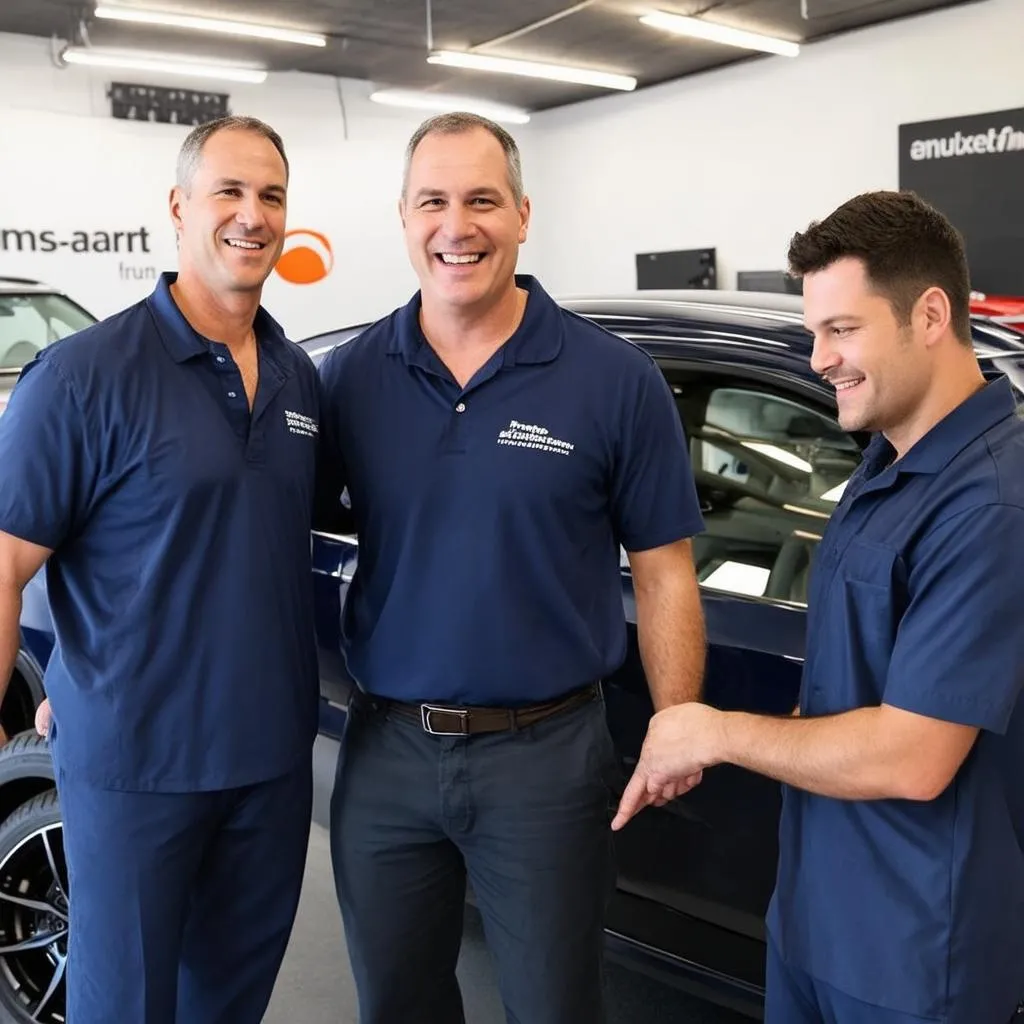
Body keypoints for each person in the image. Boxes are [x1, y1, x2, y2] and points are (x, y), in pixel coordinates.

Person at [315, 111, 706, 1024]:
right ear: (405, 220)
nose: (458, 226)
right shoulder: (350, 377)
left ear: (523, 215)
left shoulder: (614, 379)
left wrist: (681, 718)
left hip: (547, 758)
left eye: (482, 200)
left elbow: (664, 569)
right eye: (433, 202)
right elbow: (240, 523)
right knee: (395, 1004)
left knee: (553, 1007)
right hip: (386, 754)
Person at [612, 190, 1024, 1024]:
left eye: (843, 329)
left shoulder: (990, 505)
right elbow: (855, 674)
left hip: (912, 956)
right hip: (816, 916)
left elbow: (915, 757)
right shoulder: (886, 457)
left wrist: (713, 730)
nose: (819, 358)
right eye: (813, 332)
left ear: (932, 314)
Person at [0, 115, 321, 1023]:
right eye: (228, 190)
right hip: (136, 765)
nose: (250, 215)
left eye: (270, 195)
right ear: (179, 209)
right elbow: (6, 564)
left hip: (269, 763)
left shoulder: (299, 380)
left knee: (230, 1000)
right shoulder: (80, 376)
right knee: (126, 1003)